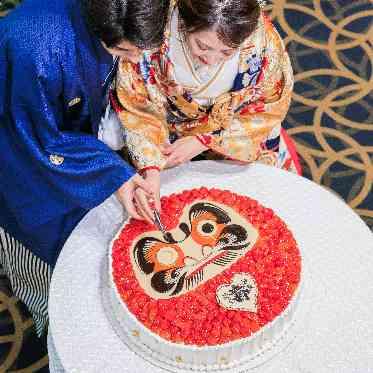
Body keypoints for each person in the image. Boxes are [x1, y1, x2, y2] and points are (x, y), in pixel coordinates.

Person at [0, 0, 169, 336]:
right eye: (124, 50)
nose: (137, 60)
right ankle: (54, 328)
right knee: (44, 264)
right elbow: (40, 143)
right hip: (21, 157)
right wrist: (114, 174)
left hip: (72, 138)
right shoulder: (34, 49)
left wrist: (119, 176)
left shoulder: (128, 19)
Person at [110, 0, 302, 223]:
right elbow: (139, 109)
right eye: (202, 46)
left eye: (227, 51)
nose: (212, 60)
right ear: (184, 22)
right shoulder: (152, 35)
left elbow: (266, 107)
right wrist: (150, 169)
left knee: (254, 214)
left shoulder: (262, 45)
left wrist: (205, 140)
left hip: (231, 133)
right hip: (167, 136)